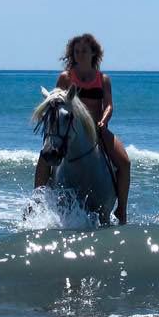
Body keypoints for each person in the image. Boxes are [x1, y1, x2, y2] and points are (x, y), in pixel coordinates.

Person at [34, 32, 131, 224]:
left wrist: (103, 121)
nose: (80, 54)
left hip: (97, 130)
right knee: (45, 156)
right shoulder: (65, 78)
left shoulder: (103, 79)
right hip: (69, 129)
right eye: (77, 51)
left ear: (93, 53)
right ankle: (36, 202)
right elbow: (56, 102)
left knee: (125, 162)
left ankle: (121, 210)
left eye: (84, 51)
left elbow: (109, 104)